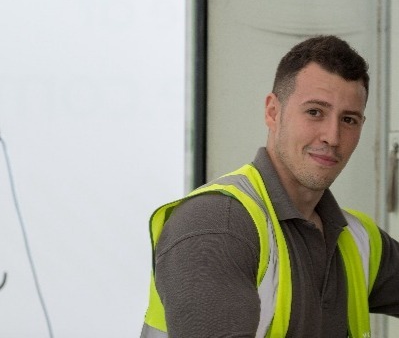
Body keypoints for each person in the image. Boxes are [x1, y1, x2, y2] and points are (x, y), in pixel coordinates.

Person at [141, 35, 399, 337]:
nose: (332, 136)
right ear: (272, 112)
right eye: (315, 112)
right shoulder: (216, 226)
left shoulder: (357, 239)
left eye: (349, 119)